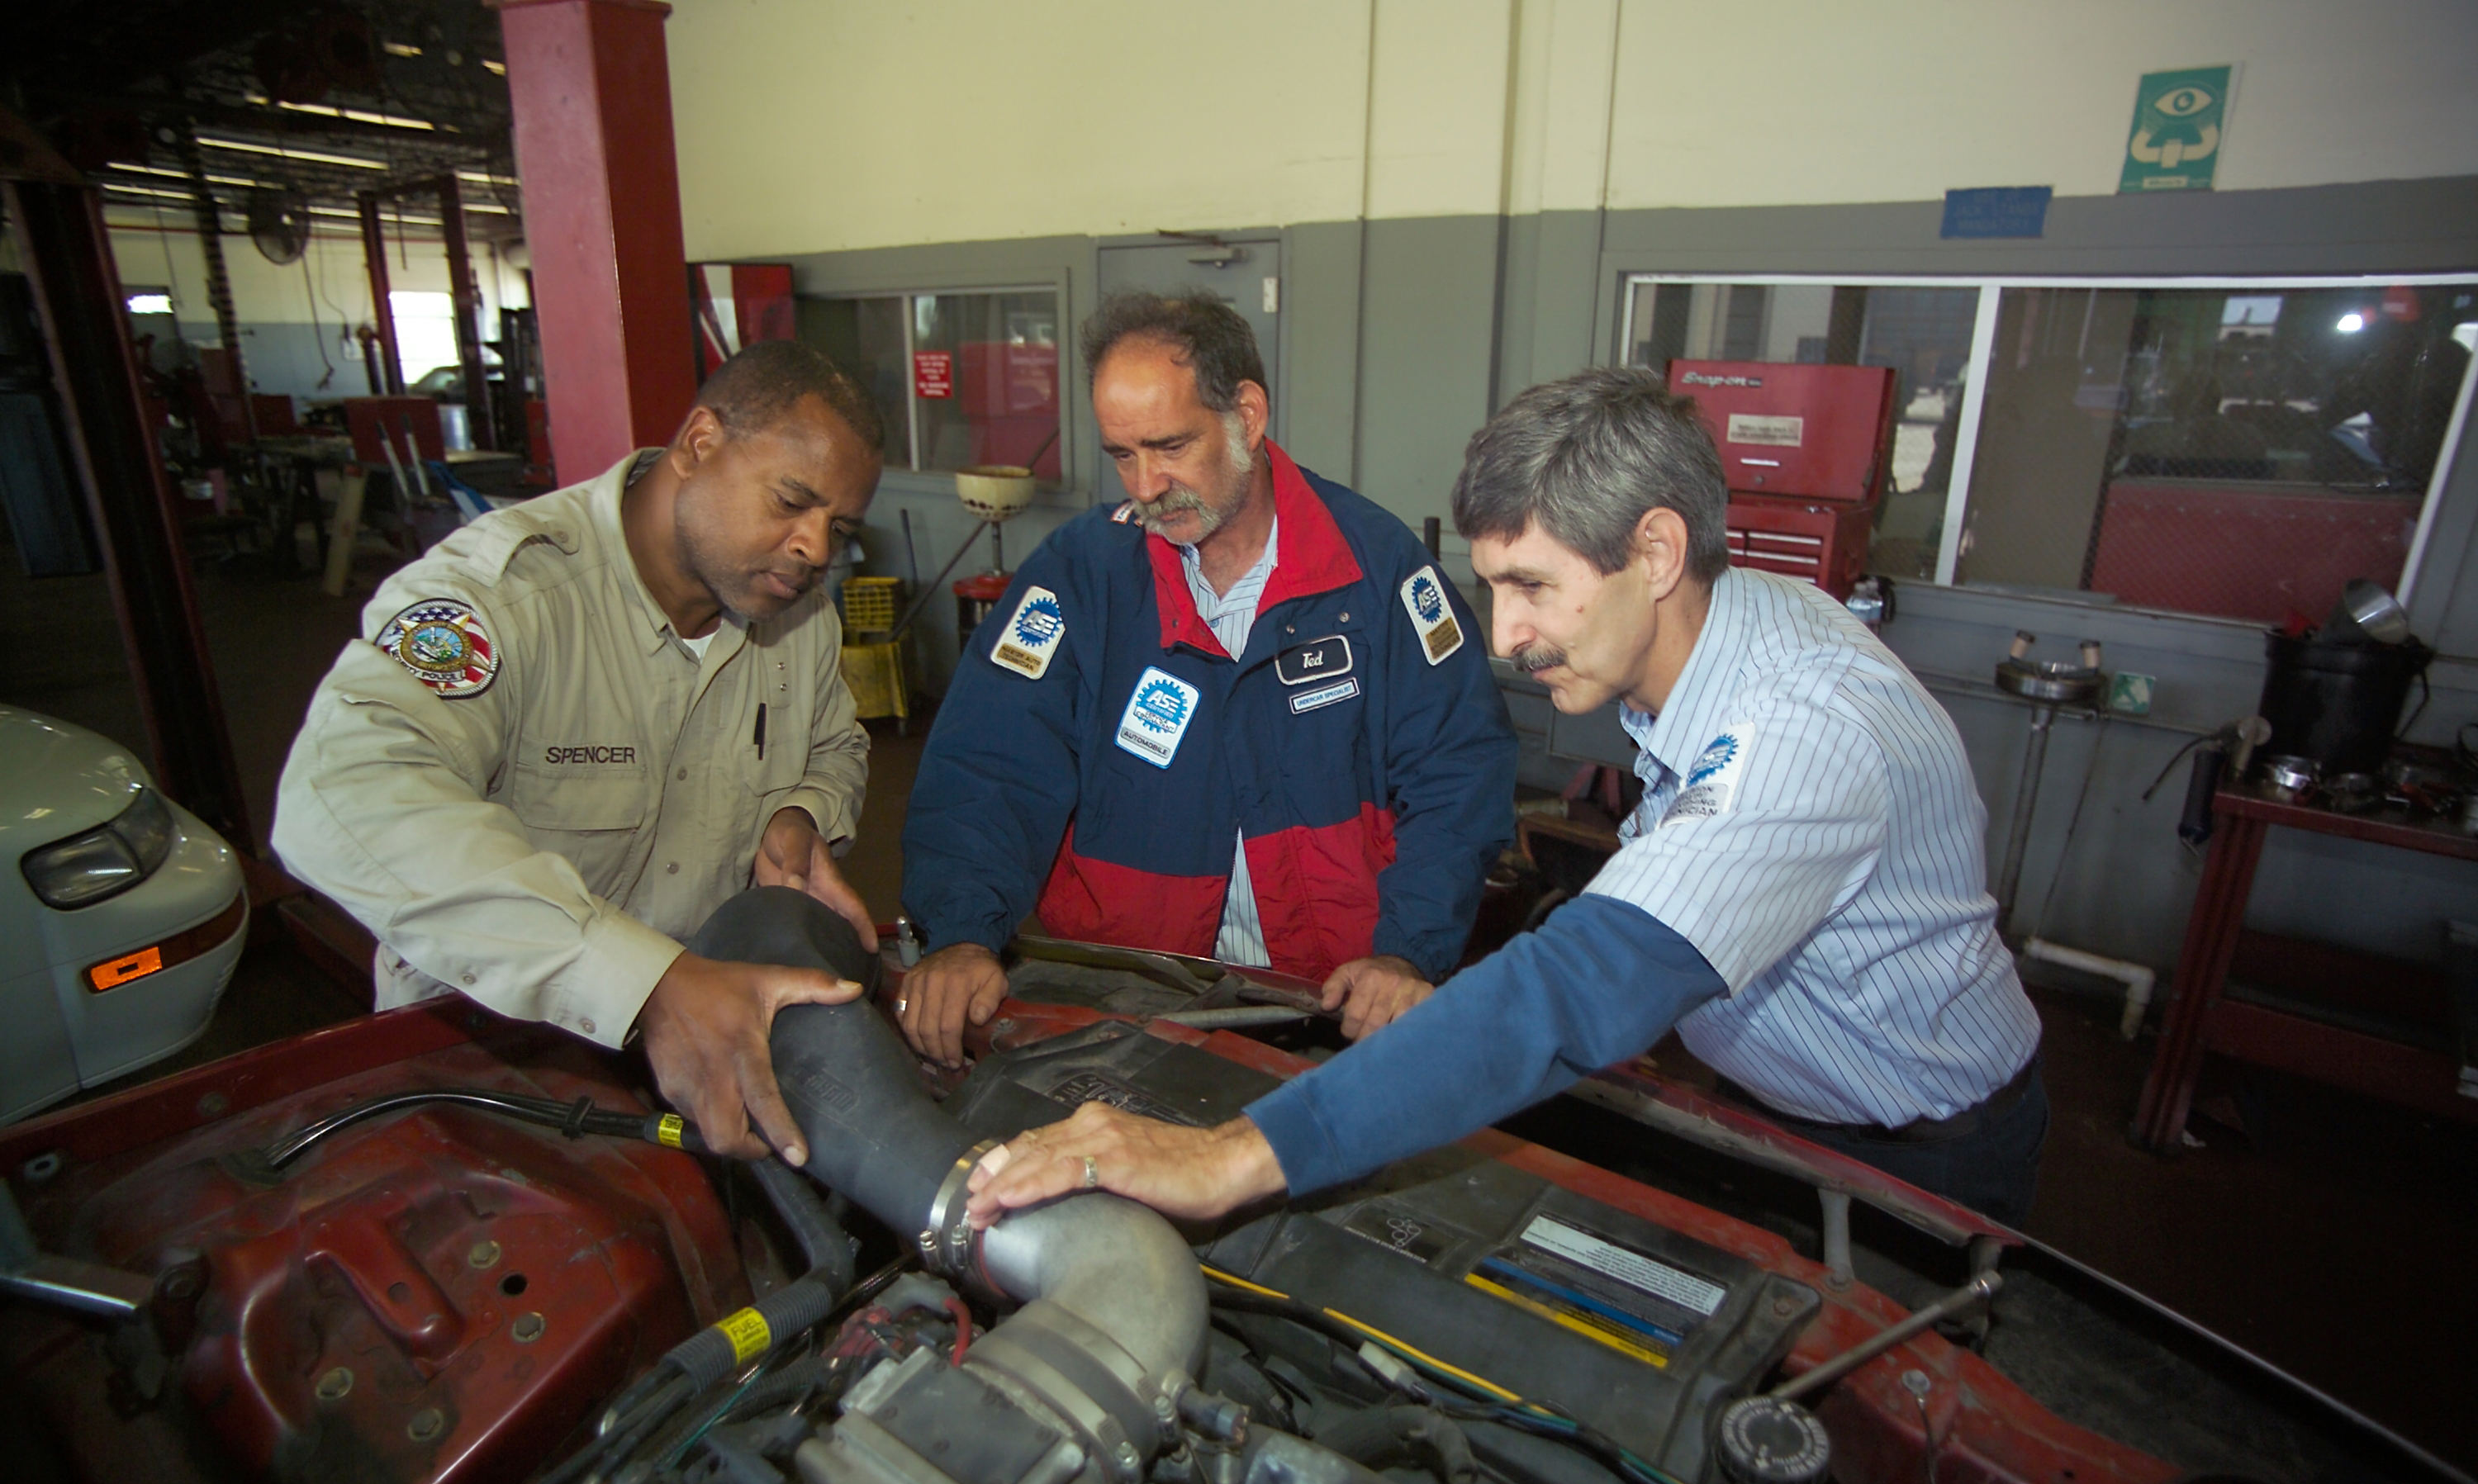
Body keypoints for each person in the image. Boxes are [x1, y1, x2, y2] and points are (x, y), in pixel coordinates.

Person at [965, 366, 2049, 1229]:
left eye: (1533, 585)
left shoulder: (1805, 731)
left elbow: (1585, 984)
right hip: (1764, 1110)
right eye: (1494, 587)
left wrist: (1228, 1157)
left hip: (1916, 1159)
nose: (1506, 637)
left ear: (1658, 551)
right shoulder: (1728, 615)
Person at [274, 341, 886, 1167]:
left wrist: (798, 811)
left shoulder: (798, 620)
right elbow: (341, 794)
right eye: (791, 499)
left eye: (838, 527)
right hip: (492, 1063)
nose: (813, 546)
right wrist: (642, 981)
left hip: (704, 1041)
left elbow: (837, 743)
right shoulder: (500, 596)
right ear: (701, 440)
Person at [897, 292, 1517, 1066]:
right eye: (1122, 455)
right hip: (1126, 997)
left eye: (1169, 446)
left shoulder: (1375, 571)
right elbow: (990, 765)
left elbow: (1457, 771)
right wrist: (961, 932)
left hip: (1335, 1007)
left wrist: (1408, 952)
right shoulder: (1079, 577)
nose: (1146, 484)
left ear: (1248, 418)